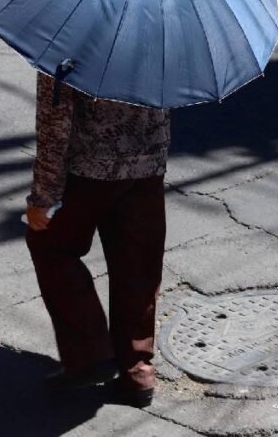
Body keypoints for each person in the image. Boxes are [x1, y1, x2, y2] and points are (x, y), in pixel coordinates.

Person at [24, 71, 170, 408]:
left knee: (50, 245)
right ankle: (138, 369)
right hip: (147, 167)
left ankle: (89, 354)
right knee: (138, 265)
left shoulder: (68, 40)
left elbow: (54, 123)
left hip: (90, 170)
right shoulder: (159, 34)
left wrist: (42, 198)